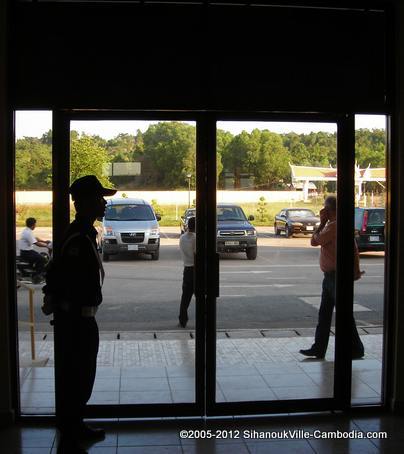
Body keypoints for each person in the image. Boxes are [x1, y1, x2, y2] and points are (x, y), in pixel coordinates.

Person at [43, 175, 116, 453]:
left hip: (80, 319)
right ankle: (72, 429)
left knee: (81, 375)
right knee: (78, 376)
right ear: (84, 203)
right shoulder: (77, 237)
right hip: (75, 321)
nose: (104, 202)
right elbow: (66, 279)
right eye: (99, 198)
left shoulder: (84, 232)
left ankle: (74, 425)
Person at [299, 195, 365, 360]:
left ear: (328, 211)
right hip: (331, 277)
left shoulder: (332, 227)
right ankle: (319, 348)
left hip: (334, 278)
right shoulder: (340, 225)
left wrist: (321, 222)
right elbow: (354, 250)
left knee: (338, 315)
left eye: (324, 209)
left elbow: (314, 241)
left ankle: (355, 348)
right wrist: (355, 271)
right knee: (326, 314)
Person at [19, 217, 51, 282]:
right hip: (27, 253)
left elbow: (35, 238)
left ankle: (34, 270)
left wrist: (44, 241)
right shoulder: (28, 233)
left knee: (42, 255)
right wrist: (47, 246)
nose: (35, 226)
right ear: (33, 225)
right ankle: (37, 276)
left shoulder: (27, 230)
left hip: (27, 251)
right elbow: (36, 243)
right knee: (42, 259)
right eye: (35, 224)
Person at [178, 216, 196, 328]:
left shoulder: (182, 238)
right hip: (195, 269)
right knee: (200, 296)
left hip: (187, 269)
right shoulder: (196, 238)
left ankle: (182, 319)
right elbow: (196, 254)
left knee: (185, 297)